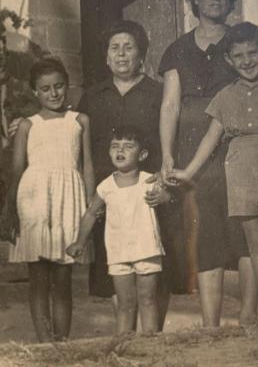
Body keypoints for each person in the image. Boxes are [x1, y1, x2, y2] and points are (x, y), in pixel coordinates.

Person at [159, 0, 258, 327]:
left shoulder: (240, 42)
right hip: (195, 151)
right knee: (207, 233)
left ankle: (250, 313)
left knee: (248, 232)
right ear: (194, 0)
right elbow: (170, 105)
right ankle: (210, 322)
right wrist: (169, 154)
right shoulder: (178, 49)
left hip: (239, 151)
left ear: (231, 0)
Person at [169, 22, 258, 334]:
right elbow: (210, 139)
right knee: (256, 244)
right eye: (239, 55)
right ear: (229, 61)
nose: (247, 60)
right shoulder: (224, 97)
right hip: (239, 172)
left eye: (252, 53)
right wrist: (188, 171)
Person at [77, 20, 172, 326]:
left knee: (151, 271)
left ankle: (152, 336)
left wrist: (164, 183)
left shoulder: (157, 93)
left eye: (128, 47)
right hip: (110, 193)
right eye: (114, 48)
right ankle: (125, 337)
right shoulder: (92, 97)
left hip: (148, 194)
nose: (121, 54)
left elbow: (170, 140)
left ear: (141, 54)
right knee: (116, 267)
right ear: (106, 56)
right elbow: (74, 138)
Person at [6, 57, 95, 342]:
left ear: (67, 85)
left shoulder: (79, 121)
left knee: (63, 278)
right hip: (34, 201)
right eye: (45, 89)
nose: (54, 94)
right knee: (39, 279)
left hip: (68, 199)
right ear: (35, 91)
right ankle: (45, 345)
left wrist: (91, 206)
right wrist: (9, 209)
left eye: (59, 86)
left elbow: (88, 166)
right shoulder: (27, 126)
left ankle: (62, 343)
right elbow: (17, 169)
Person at [67, 126, 164, 334]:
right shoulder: (105, 186)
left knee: (147, 299)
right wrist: (79, 242)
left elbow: (166, 196)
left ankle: (152, 345)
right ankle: (123, 346)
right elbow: (91, 213)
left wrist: (164, 196)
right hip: (118, 252)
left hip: (146, 249)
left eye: (128, 146)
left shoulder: (150, 181)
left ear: (142, 154)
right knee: (125, 303)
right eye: (115, 146)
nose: (120, 150)